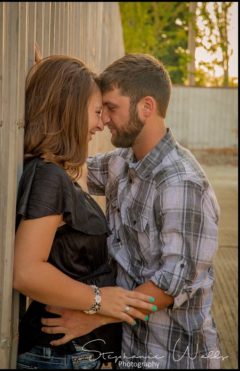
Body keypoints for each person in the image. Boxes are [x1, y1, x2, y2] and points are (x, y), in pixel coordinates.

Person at [44, 54, 222, 369]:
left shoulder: (182, 184)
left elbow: (169, 286)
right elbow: (69, 166)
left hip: (172, 356)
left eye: (112, 107)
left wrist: (94, 317)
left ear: (146, 107)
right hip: (132, 352)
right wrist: (57, 88)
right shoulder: (121, 162)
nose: (105, 119)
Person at [12, 55, 157, 369]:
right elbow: (26, 271)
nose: (102, 122)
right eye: (95, 112)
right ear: (70, 111)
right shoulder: (48, 177)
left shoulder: (55, 174)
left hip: (71, 355)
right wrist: (101, 300)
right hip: (59, 355)